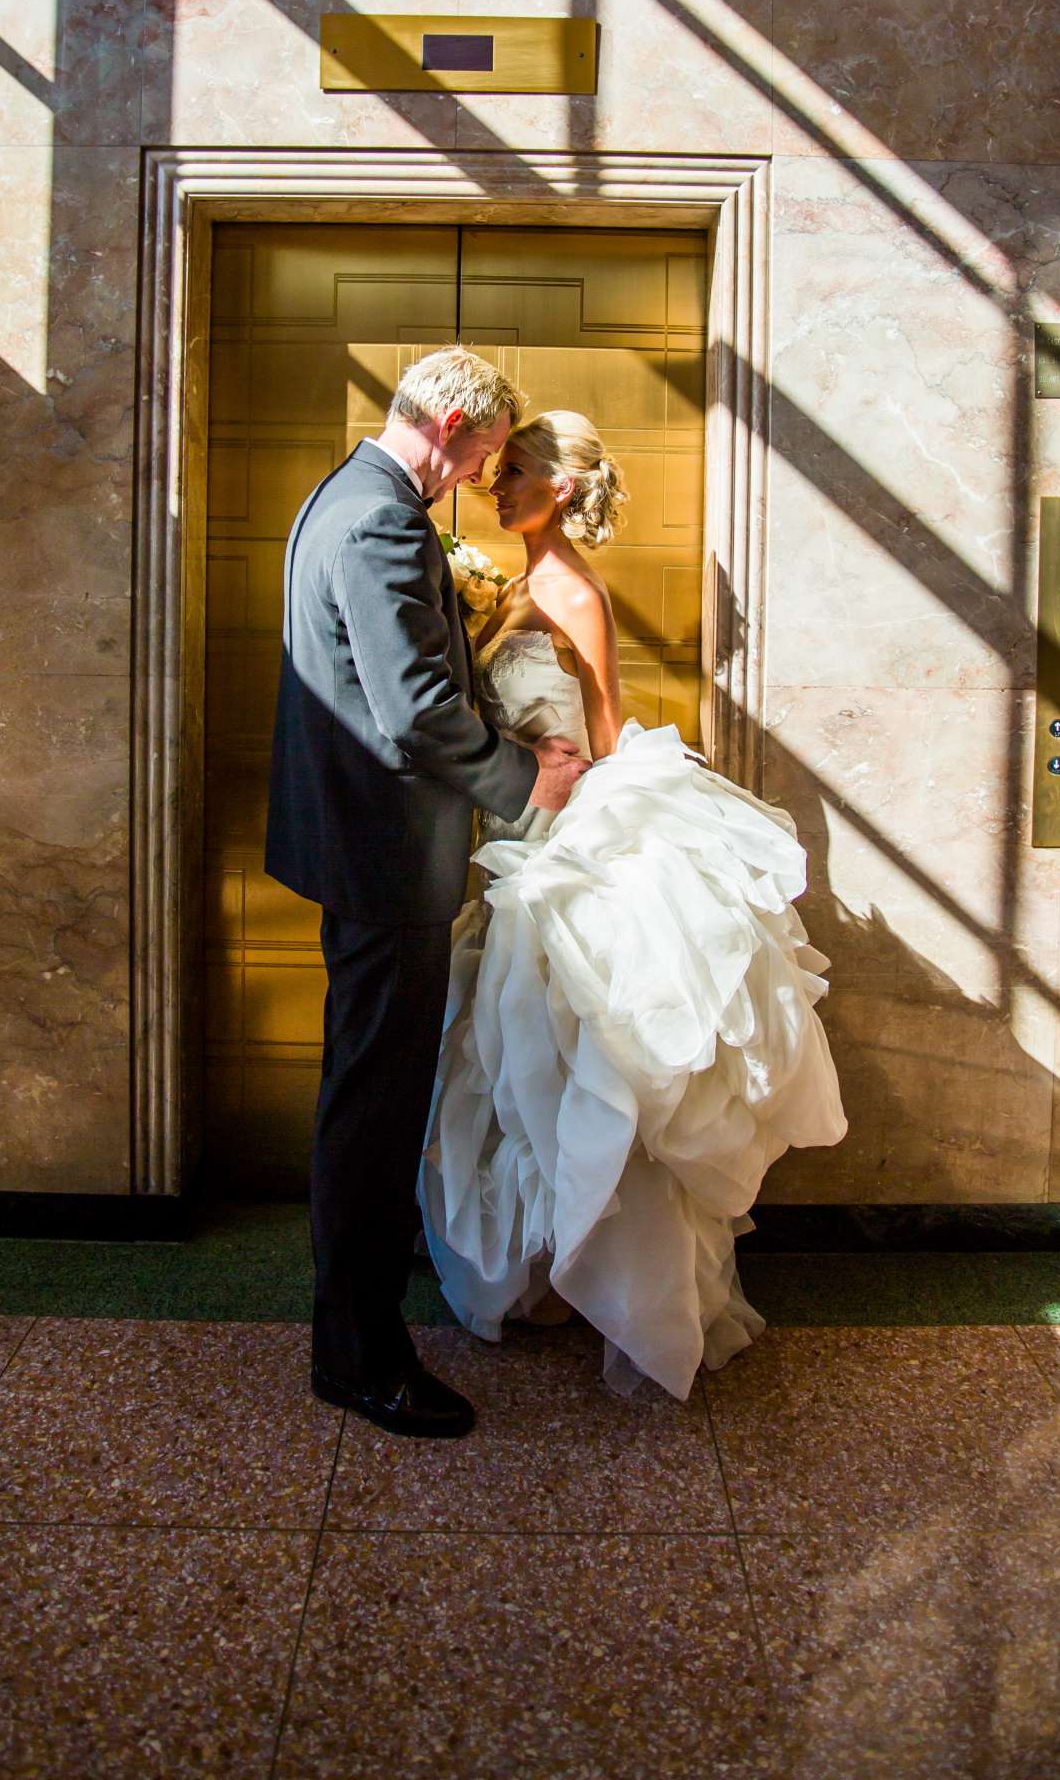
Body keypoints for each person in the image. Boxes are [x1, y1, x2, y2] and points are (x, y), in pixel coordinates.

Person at [418, 410, 847, 1399]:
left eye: (515, 471)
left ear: (559, 488)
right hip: (514, 829)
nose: (496, 484)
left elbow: (604, 730)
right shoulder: (519, 582)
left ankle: (580, 1266)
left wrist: (590, 827)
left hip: (555, 833)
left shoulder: (568, 587)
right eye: (498, 469)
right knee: (517, 1051)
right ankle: (545, 1262)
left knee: (557, 1050)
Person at [266, 349, 587, 1440]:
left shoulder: (341, 494)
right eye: (486, 452)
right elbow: (413, 708)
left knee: (368, 1089)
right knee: (372, 1102)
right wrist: (522, 775)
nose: (481, 473)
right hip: (383, 856)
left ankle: (355, 1323)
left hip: (359, 846)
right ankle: (358, 1355)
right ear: (451, 422)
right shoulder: (383, 520)